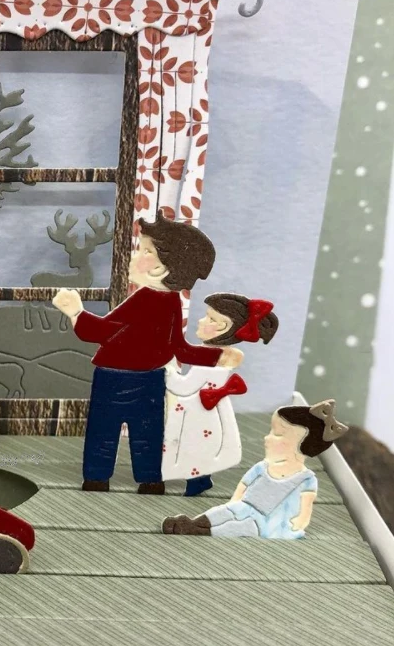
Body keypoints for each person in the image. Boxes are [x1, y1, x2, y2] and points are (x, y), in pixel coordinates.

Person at [53, 214, 242, 495]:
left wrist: (75, 312)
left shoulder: (146, 299)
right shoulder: (170, 301)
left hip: (114, 379)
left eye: (145, 251)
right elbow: (179, 348)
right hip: (150, 381)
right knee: (148, 434)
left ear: (162, 267)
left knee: (104, 431)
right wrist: (217, 357)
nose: (135, 256)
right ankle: (150, 479)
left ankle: (97, 477)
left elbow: (100, 332)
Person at [162, 400, 349, 538]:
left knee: (241, 528)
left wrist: (300, 522)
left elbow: (305, 507)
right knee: (221, 512)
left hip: (269, 523)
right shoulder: (263, 467)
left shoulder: (306, 479)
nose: (267, 438)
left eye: (277, 434)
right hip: (244, 507)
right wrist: (233, 504)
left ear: (301, 444)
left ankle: (197, 531)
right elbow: (244, 486)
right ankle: (194, 522)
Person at [163, 294, 279, 496]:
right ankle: (200, 479)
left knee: (194, 443)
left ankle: (197, 480)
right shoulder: (213, 355)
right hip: (205, 409)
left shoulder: (211, 358)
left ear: (222, 327)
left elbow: (184, 385)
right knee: (200, 443)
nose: (201, 320)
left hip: (199, 411)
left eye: (209, 318)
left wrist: (167, 372)